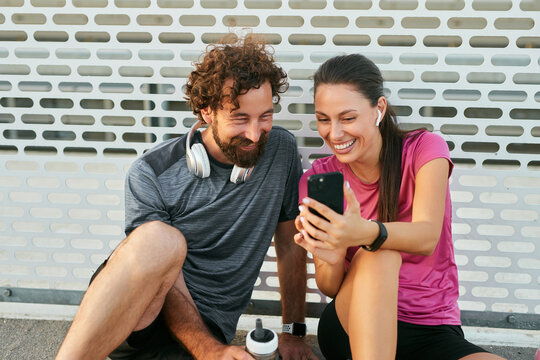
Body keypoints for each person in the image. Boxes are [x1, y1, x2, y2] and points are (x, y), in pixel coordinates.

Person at [56, 35, 318, 360]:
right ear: (207, 112)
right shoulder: (150, 172)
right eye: (240, 118)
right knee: (161, 241)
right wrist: (210, 352)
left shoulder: (280, 151)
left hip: (207, 331)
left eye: (264, 116)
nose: (254, 133)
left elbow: (290, 242)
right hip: (145, 316)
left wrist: (293, 332)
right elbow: (157, 273)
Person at [294, 54, 505, 360]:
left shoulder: (425, 149)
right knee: (380, 254)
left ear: (378, 109)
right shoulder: (319, 180)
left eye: (348, 118)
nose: (334, 134)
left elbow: (426, 236)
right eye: (324, 119)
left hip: (431, 329)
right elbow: (330, 286)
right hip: (352, 324)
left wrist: (362, 231)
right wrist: (331, 256)